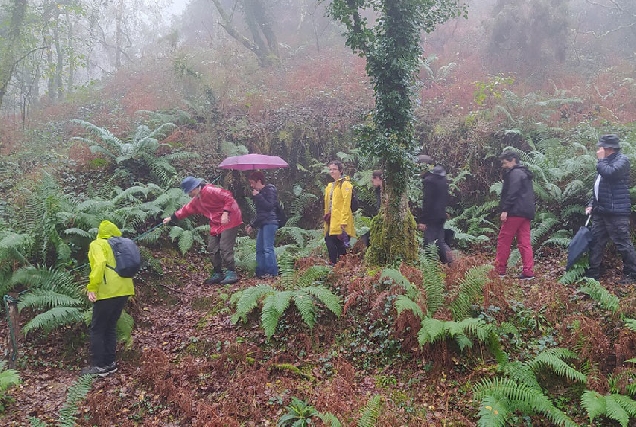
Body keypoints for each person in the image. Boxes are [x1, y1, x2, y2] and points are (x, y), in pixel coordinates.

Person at [163, 176, 243, 285]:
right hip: (216, 222)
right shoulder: (196, 200)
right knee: (212, 247)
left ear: (195, 188)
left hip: (230, 219)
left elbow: (228, 196)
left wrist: (225, 212)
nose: (188, 194)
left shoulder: (210, 190)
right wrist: (172, 218)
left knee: (225, 246)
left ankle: (231, 272)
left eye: (189, 191)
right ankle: (218, 272)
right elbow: (186, 209)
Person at [81, 220, 135, 377]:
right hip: (125, 289)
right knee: (110, 326)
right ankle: (110, 364)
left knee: (98, 328)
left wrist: (92, 287)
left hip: (107, 291)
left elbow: (99, 264)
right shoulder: (122, 244)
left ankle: (99, 366)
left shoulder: (97, 244)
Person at [585, 134, 636, 284]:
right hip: (600, 211)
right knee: (596, 241)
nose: (599, 150)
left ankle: (632, 274)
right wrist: (591, 203)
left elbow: (610, 173)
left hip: (616, 212)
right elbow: (598, 186)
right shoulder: (604, 163)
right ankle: (593, 273)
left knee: (623, 243)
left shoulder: (622, 161)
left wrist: (601, 160)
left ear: (609, 148)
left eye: (601, 147)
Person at [495, 151, 536, 279]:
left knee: (504, 240)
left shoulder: (515, 174)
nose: (503, 165)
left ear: (513, 160)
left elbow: (512, 193)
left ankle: (499, 269)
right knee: (525, 242)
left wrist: (505, 209)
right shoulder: (524, 173)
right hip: (526, 212)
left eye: (505, 162)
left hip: (514, 212)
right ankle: (528, 271)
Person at [245, 171, 279, 278]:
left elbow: (269, 206)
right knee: (259, 248)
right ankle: (260, 272)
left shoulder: (270, 190)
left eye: (252, 183)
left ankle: (271, 272)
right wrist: (252, 225)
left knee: (268, 248)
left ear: (259, 181)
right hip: (263, 223)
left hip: (270, 222)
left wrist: (258, 196)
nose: (251, 185)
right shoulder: (258, 193)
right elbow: (260, 214)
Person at [417, 165, 453, 264]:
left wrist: (423, 220)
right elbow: (445, 200)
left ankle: (430, 266)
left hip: (431, 217)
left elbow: (427, 202)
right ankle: (448, 262)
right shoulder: (444, 183)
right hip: (441, 216)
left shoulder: (429, 183)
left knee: (428, 242)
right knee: (440, 241)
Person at [323, 160, 356, 265]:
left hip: (341, 221)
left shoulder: (345, 184)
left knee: (339, 244)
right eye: (330, 169)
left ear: (341, 171)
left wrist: (344, 221)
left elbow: (346, 204)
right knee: (330, 241)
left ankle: (337, 266)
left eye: (334, 169)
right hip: (332, 221)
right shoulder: (330, 186)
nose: (332, 171)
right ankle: (337, 266)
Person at [361, 170, 383, 247]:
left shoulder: (385, 191)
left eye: (373, 178)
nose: (371, 180)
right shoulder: (378, 191)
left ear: (378, 178)